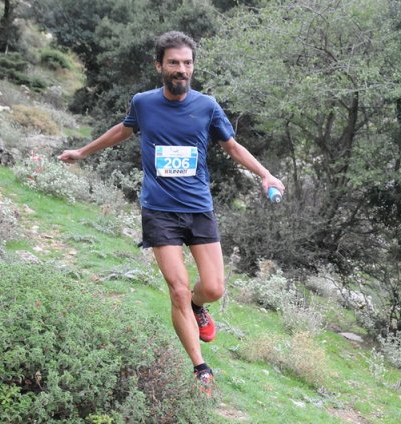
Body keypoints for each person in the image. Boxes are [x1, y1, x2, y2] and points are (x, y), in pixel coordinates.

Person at [58, 31, 284, 395]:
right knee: (177, 289)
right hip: (159, 211)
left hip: (198, 208)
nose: (181, 69)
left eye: (187, 63)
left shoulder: (207, 106)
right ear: (159, 66)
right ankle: (201, 368)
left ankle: (198, 305)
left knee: (213, 288)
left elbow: (232, 146)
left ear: (193, 67)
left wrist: (265, 174)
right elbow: (123, 131)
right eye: (174, 62)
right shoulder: (143, 103)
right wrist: (83, 152)